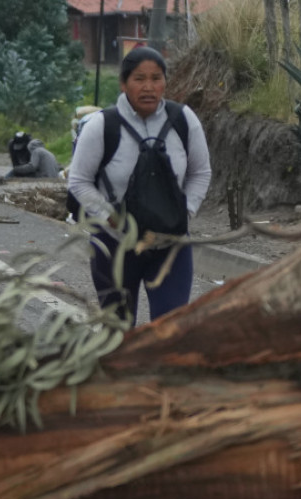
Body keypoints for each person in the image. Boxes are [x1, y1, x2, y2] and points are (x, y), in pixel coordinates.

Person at [68, 46, 211, 325]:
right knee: (118, 335)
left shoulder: (183, 120)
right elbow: (79, 180)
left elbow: (201, 172)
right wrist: (108, 216)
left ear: (165, 82)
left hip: (171, 244)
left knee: (169, 331)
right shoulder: (102, 126)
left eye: (156, 78)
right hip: (115, 247)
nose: (149, 87)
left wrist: (187, 211)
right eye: (139, 79)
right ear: (123, 84)